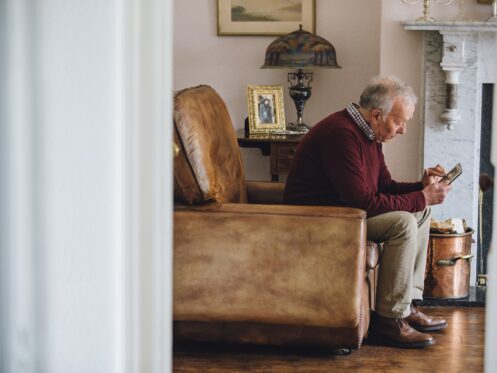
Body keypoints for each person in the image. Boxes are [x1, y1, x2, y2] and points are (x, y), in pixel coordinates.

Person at [284, 76, 452, 349]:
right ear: (377, 115)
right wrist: (421, 197)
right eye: (399, 122)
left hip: (345, 212)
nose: (403, 130)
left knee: (421, 213)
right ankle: (389, 319)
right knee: (404, 222)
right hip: (319, 218)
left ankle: (406, 304)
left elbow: (383, 186)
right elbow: (363, 200)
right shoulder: (342, 134)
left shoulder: (369, 133)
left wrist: (420, 188)